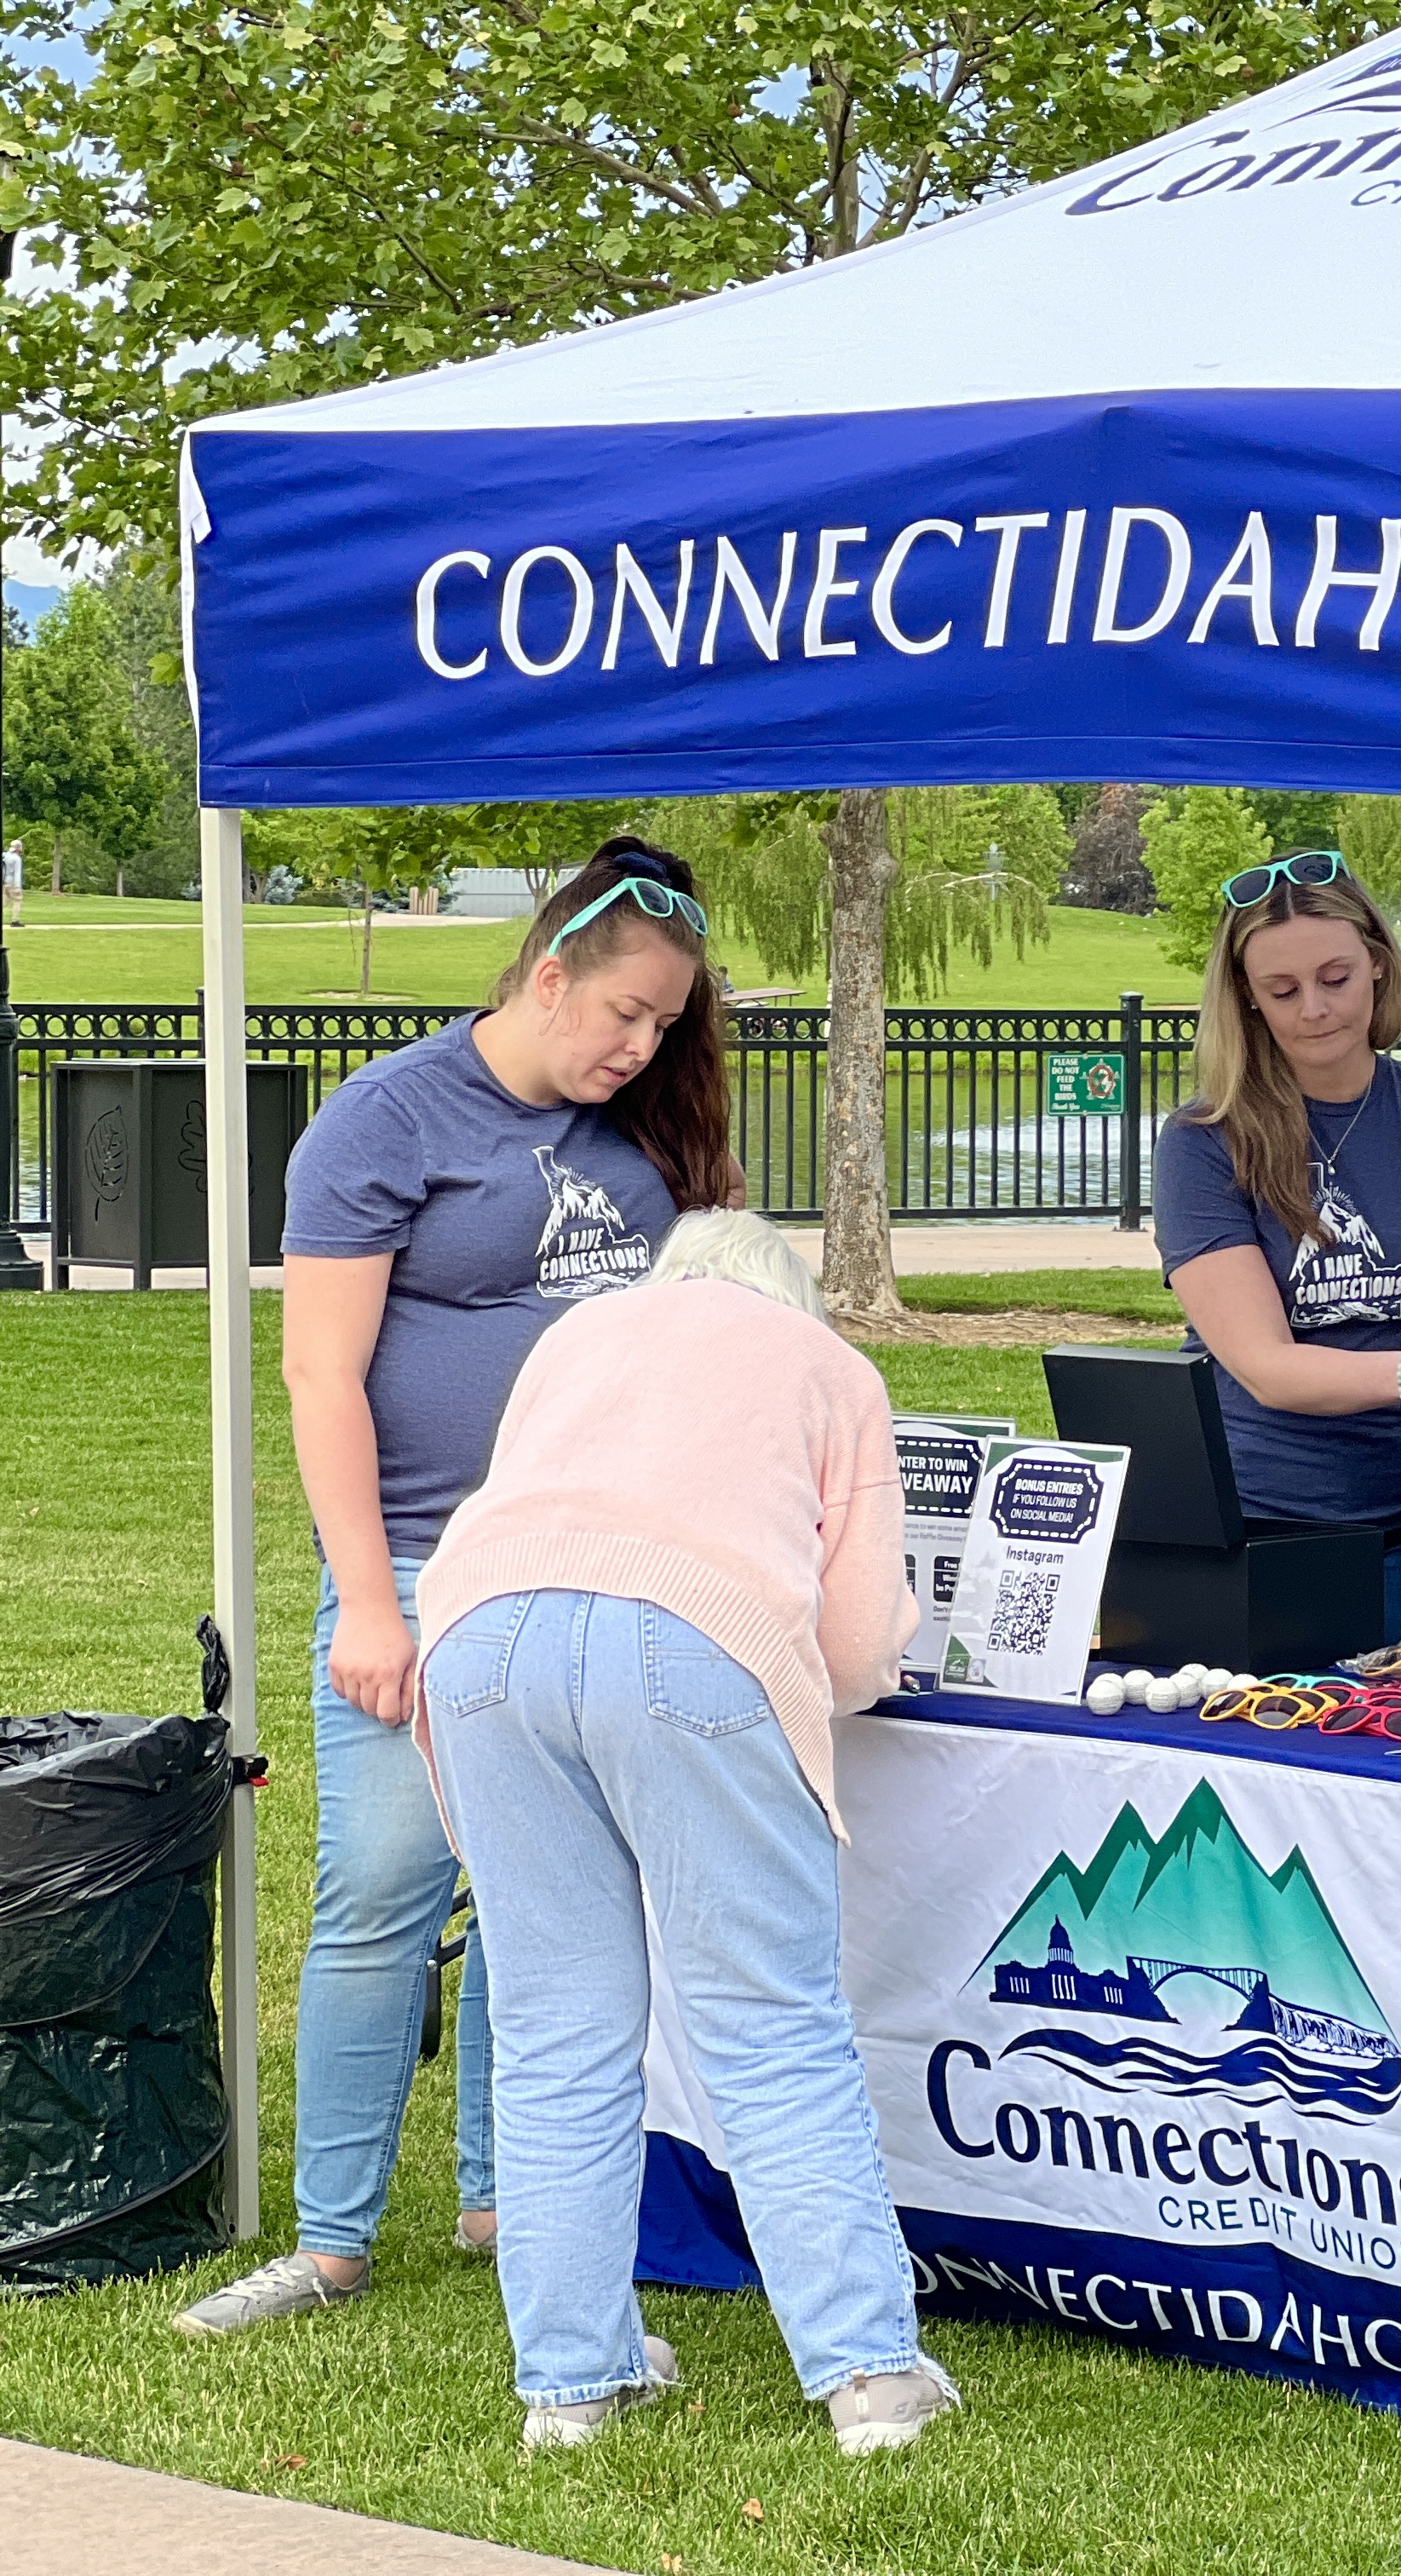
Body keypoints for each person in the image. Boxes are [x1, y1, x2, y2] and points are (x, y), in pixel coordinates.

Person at [180, 839, 733, 2340]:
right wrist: (369, 1602)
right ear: (546, 974)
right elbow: (321, 1375)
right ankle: (332, 2238)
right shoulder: (386, 1117)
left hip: (602, 1563)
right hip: (429, 1563)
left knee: (543, 1898)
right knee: (381, 1891)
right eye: (624, 1013)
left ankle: (507, 2197)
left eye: (665, 1023)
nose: (642, 1046)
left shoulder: (645, 1127)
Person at [409, 1210, 950, 2455]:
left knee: (553, 2033)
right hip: (698, 1636)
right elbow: (858, 1641)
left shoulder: (581, 1332)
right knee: (770, 2023)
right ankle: (869, 2376)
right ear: (790, 1295)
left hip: (481, 1634)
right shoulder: (829, 1368)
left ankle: (569, 2386)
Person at [1151, 850, 1401, 1638]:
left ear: (1377, 964)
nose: (1314, 1009)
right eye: (1282, 990)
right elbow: (1264, 1366)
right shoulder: (1202, 1141)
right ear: (1246, 996)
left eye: (1335, 978)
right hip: (1257, 1525)